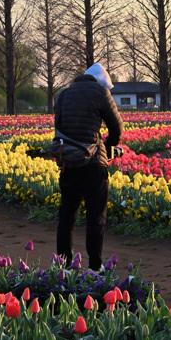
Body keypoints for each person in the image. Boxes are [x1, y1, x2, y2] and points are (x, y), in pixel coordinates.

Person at [53, 62, 123, 269]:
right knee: (95, 218)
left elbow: (60, 127)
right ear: (102, 82)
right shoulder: (100, 93)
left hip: (68, 164)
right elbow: (117, 129)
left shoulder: (63, 94)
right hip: (93, 166)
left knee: (67, 216)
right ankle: (95, 267)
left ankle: (64, 266)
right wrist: (107, 147)